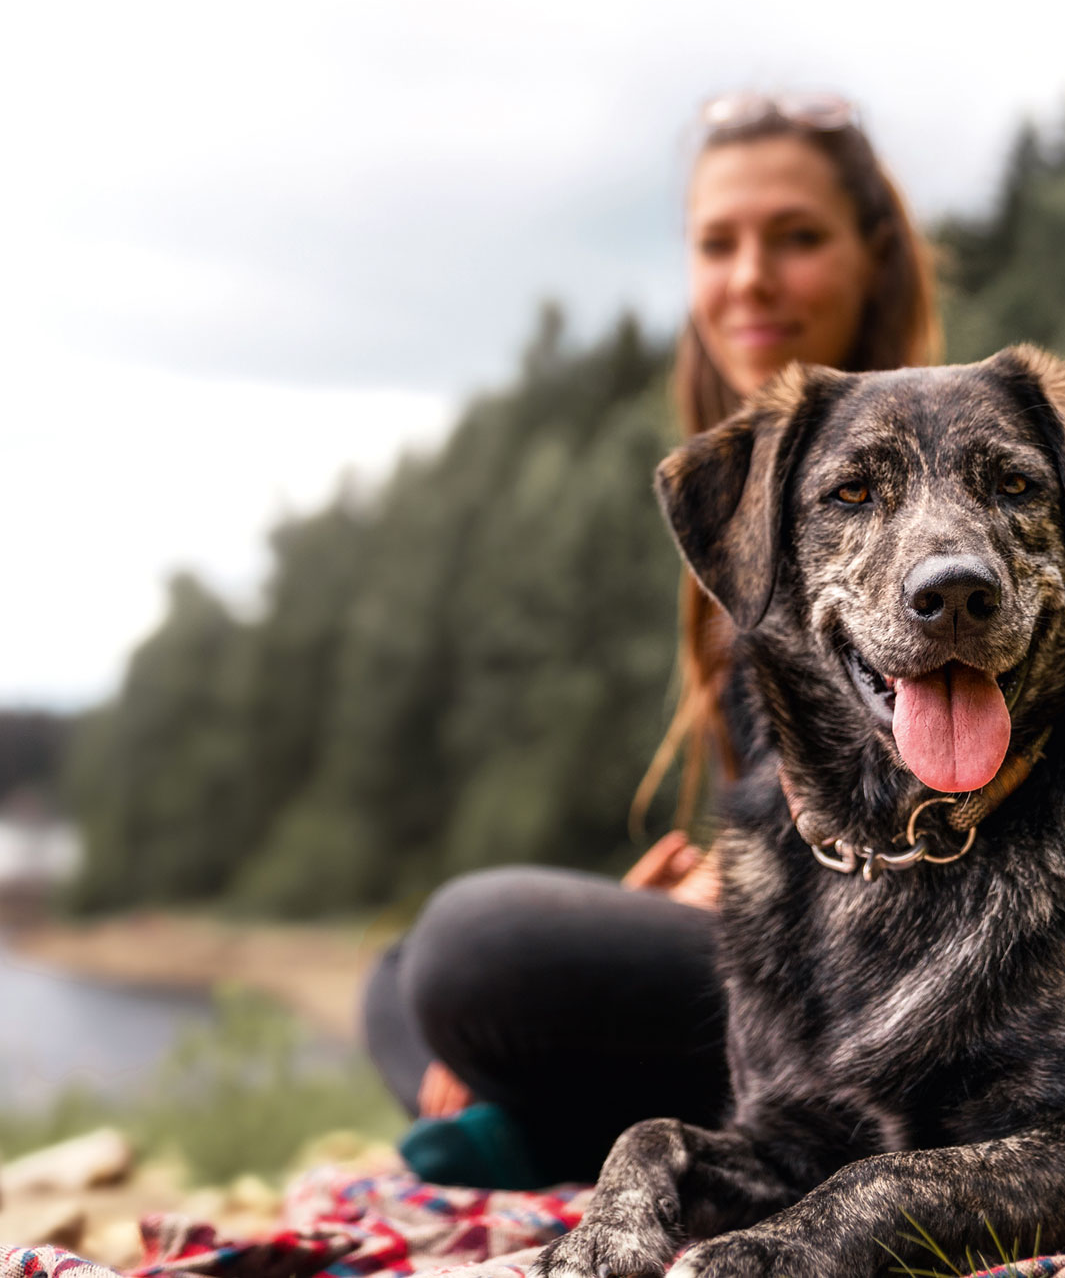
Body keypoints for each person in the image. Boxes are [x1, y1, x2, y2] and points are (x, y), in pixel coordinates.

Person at [359, 92, 942, 1188]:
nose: (748, 276)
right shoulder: (748, 498)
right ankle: (563, 1129)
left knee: (472, 953)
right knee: (396, 976)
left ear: (874, 257)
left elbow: (945, 807)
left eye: (796, 237)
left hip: (903, 952)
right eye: (716, 243)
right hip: (788, 940)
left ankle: (542, 1137)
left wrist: (729, 886)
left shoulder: (921, 492)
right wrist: (694, 890)